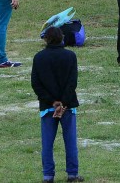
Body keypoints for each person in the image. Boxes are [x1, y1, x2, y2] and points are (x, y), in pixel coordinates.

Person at [31, 26, 83, 183]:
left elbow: (36, 84)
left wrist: (52, 102)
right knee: (70, 141)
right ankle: (72, 174)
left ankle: (48, 176)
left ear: (46, 39)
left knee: (47, 143)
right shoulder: (70, 56)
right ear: (62, 38)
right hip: (68, 106)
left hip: (47, 107)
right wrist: (63, 103)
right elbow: (72, 82)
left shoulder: (39, 58)